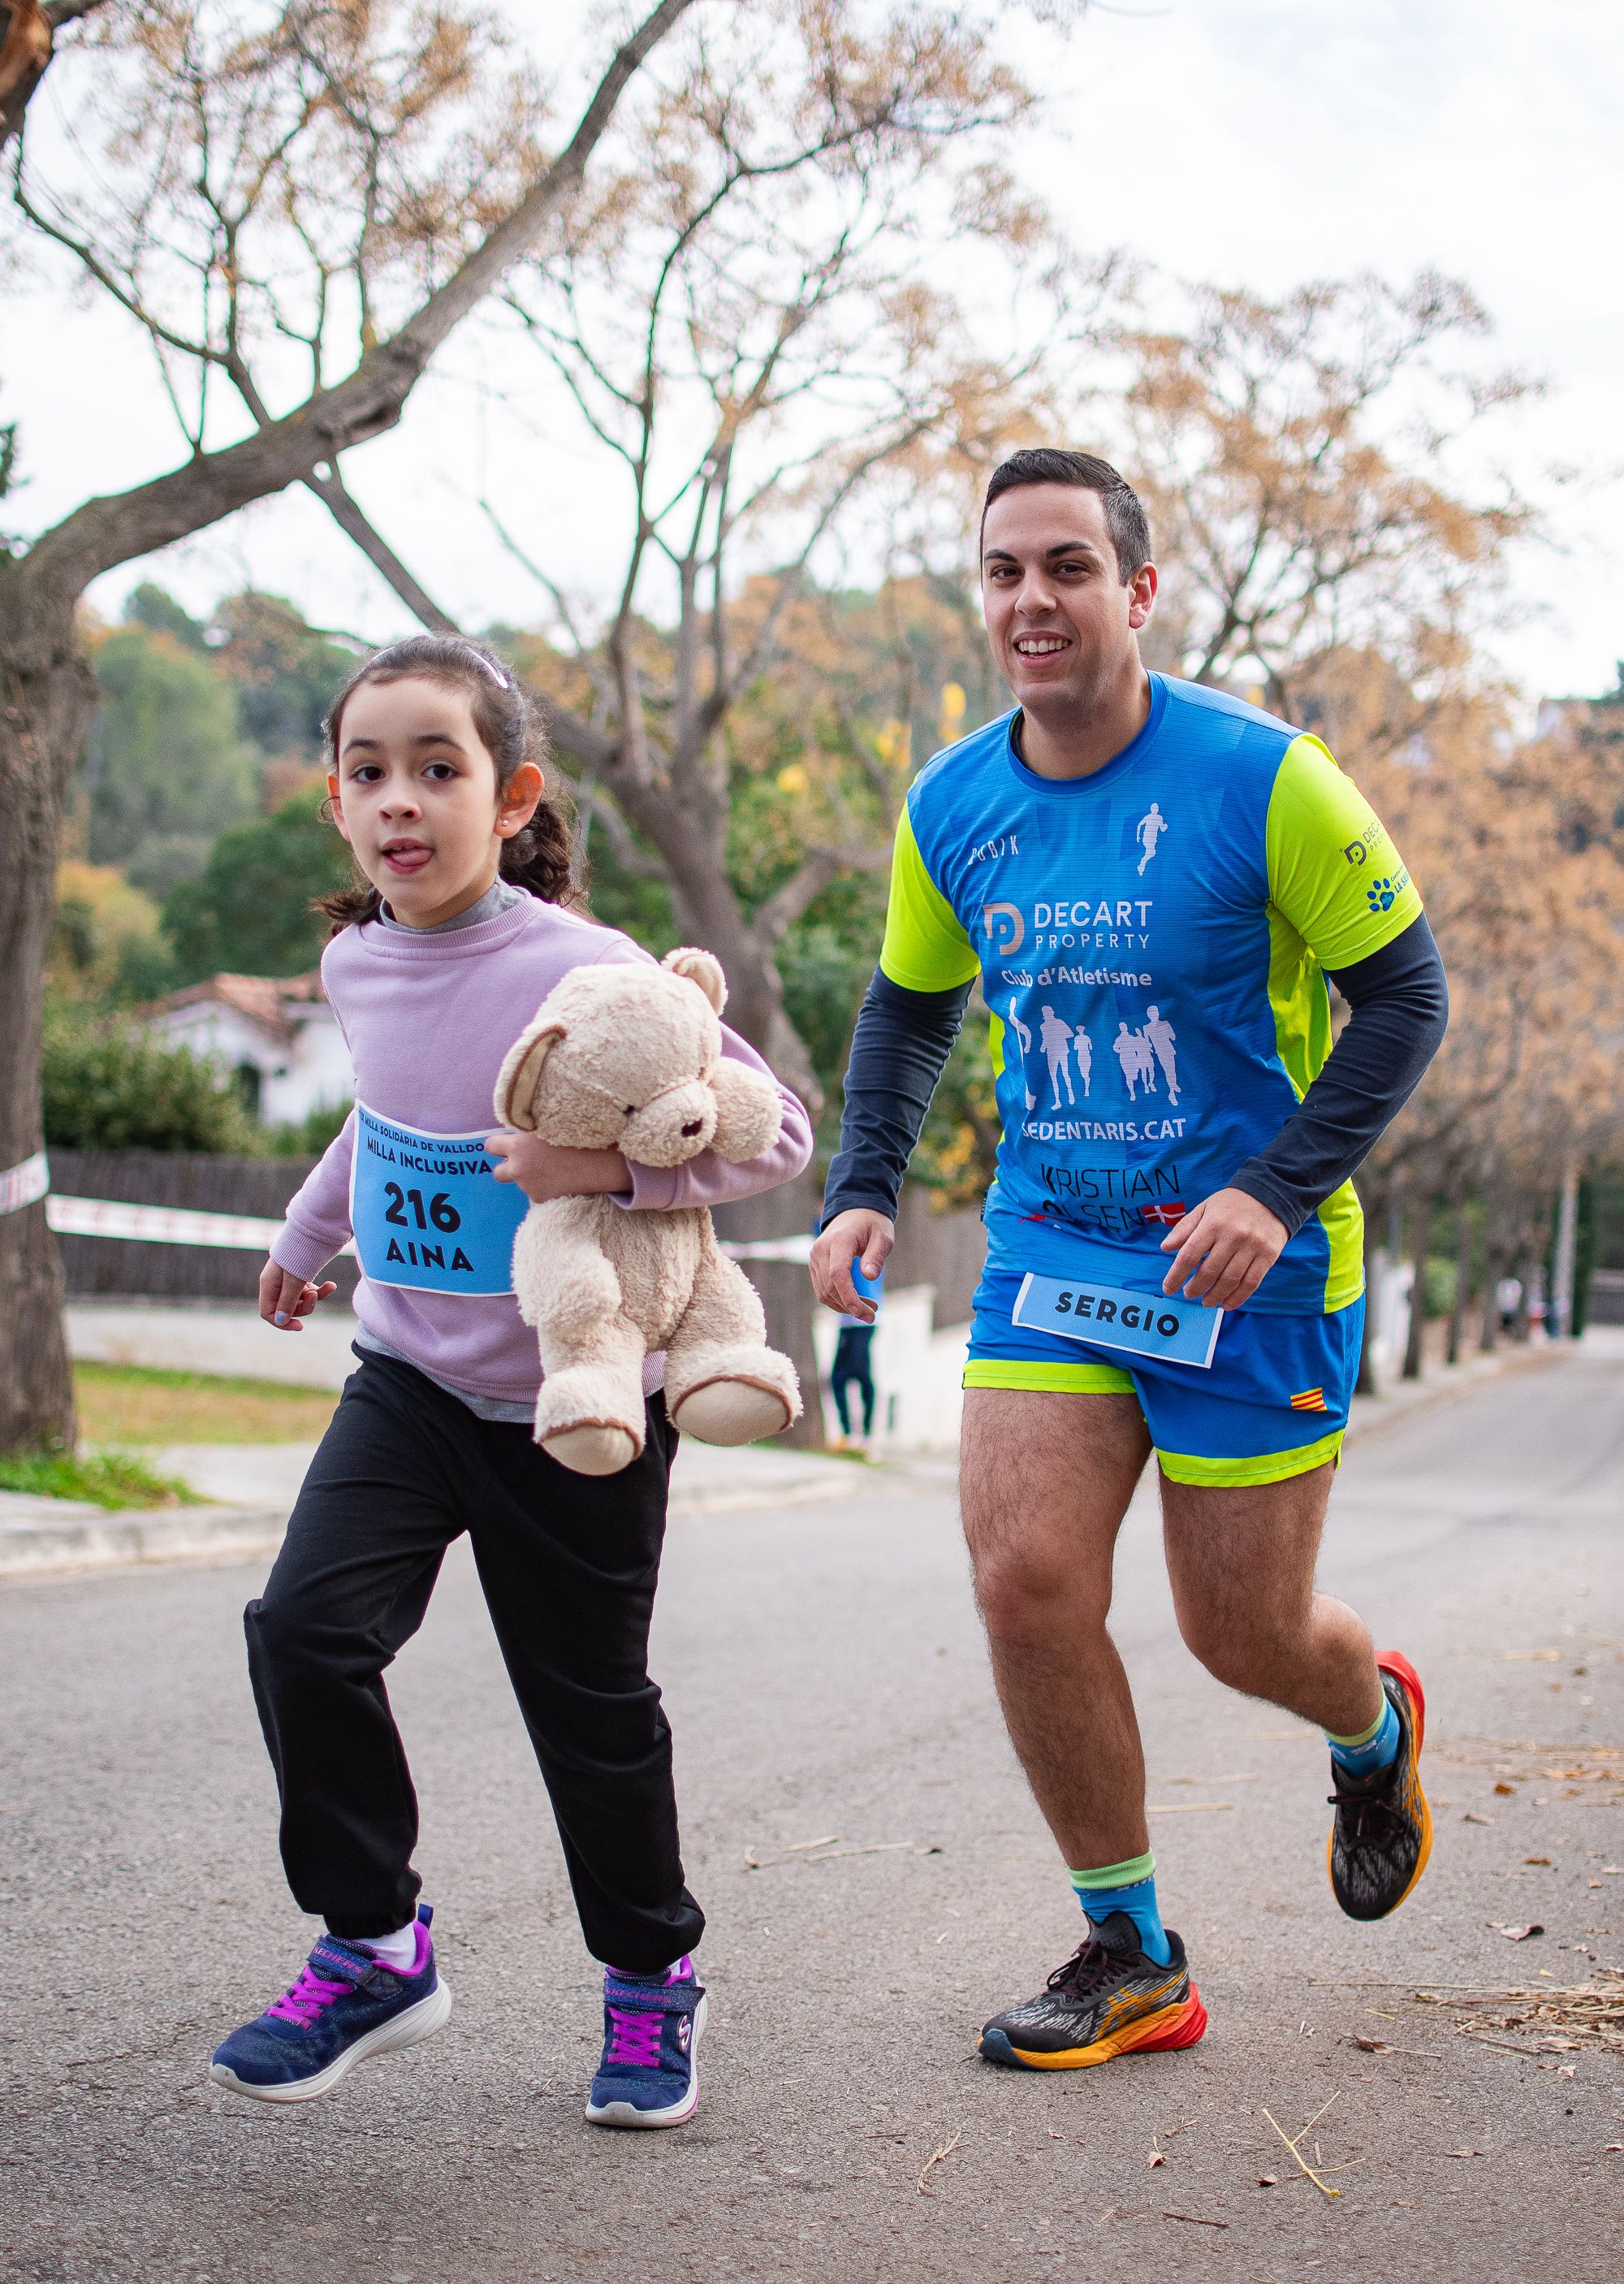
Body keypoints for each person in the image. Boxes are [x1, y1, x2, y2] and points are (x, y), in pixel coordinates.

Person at [812, 448, 1448, 2074]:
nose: (1031, 600)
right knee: (1025, 1582)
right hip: (1055, 1247)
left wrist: (1276, 1189)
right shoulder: (954, 804)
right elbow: (906, 1004)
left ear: (1138, 591)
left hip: (1250, 1272)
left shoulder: (1264, 780)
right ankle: (1131, 1949)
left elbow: (1405, 1001)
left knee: (1243, 1634)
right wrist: (864, 1182)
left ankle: (1368, 1723)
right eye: (1003, 570)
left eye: (1068, 568)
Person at [208, 636, 810, 2126]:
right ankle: (374, 1943)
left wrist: (597, 1163)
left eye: (437, 768)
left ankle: (651, 1981)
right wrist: (307, 1236)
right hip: (407, 1378)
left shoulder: (587, 971)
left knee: (588, 1710)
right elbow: (383, 1121)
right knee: (303, 1633)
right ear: (335, 802)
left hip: (576, 1401)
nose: (399, 799)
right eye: (368, 772)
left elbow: (775, 1135)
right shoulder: (356, 962)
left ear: (513, 794)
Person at [828, 1256, 884, 1450]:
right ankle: (849, 1434)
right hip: (847, 1322)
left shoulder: (860, 1236)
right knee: (837, 1378)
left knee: (858, 1373)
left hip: (865, 1319)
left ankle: (865, 1436)